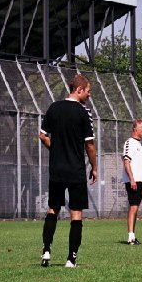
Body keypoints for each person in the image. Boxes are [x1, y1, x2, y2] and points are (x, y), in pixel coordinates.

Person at [39, 73, 97, 267]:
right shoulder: (83, 112)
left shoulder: (53, 108)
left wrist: (55, 149)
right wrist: (94, 167)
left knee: (53, 209)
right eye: (88, 91)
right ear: (79, 90)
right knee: (76, 213)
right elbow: (89, 145)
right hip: (75, 170)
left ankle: (46, 250)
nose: (89, 95)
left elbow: (42, 135)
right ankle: (71, 259)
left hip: (56, 169)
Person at [122, 119, 142, 245]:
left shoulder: (139, 145)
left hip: (140, 181)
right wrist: (132, 179)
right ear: (135, 129)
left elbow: (140, 165)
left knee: (136, 207)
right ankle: (130, 237)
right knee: (133, 207)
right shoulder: (129, 143)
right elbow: (126, 162)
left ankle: (133, 235)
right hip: (132, 181)